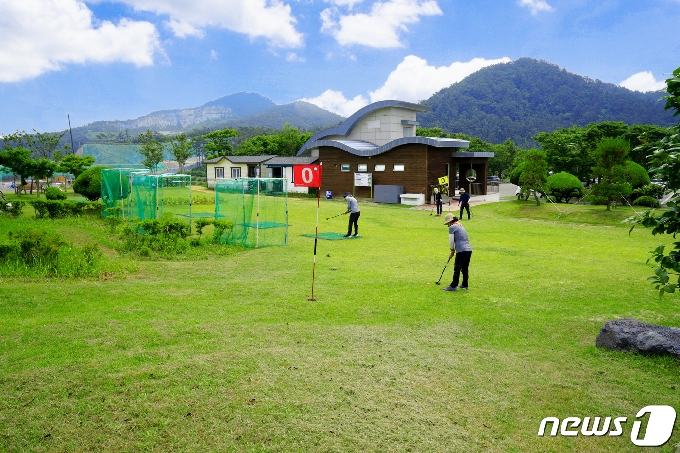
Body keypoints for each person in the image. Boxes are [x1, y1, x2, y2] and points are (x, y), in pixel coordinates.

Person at [442, 213, 472, 292]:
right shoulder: (460, 225)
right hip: (468, 250)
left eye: (447, 223)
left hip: (462, 250)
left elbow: (451, 240)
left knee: (457, 268)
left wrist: (452, 250)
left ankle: (453, 286)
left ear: (450, 221)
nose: (448, 225)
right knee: (464, 268)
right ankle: (465, 285)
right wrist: (453, 250)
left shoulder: (452, 227)